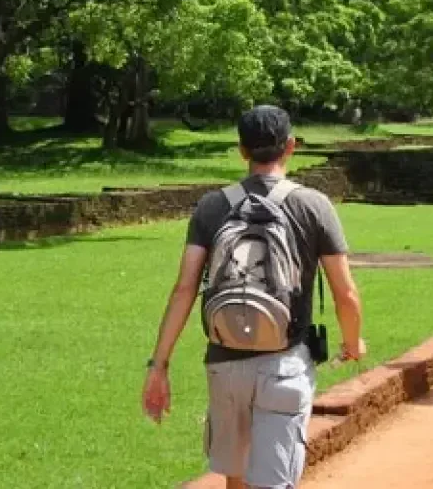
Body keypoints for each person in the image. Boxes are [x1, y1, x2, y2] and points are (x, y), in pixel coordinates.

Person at [143, 105, 365, 489]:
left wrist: (158, 365)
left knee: (237, 479)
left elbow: (184, 288)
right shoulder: (313, 205)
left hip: (225, 363)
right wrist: (351, 342)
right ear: (290, 146)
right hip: (284, 361)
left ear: (242, 150)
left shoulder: (213, 206)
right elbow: (344, 291)